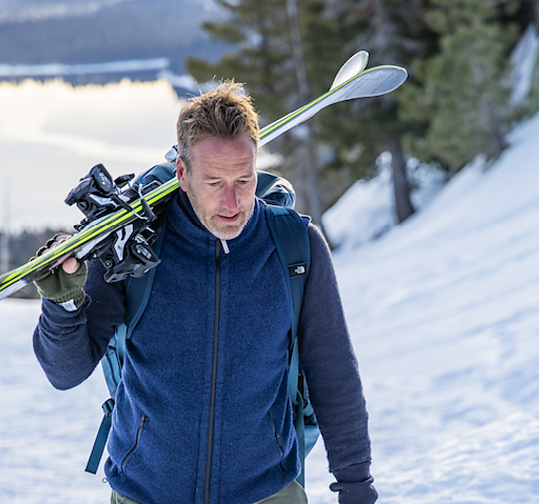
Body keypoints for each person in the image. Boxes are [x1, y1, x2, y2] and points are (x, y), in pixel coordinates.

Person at [31, 81, 377, 504]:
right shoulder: (135, 248)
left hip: (266, 493)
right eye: (214, 182)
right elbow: (65, 373)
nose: (232, 201)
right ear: (182, 173)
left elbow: (334, 374)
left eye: (244, 179)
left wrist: (356, 486)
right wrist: (63, 304)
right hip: (147, 494)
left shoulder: (295, 248)